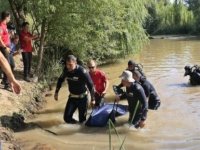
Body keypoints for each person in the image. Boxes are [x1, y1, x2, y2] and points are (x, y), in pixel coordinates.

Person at [54, 55, 95, 124]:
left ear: (75, 63)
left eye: (70, 65)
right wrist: (56, 92)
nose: (68, 67)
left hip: (83, 98)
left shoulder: (82, 71)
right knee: (67, 118)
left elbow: (90, 84)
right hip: (72, 97)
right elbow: (60, 80)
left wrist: (93, 99)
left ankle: (81, 128)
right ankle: (76, 125)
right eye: (67, 65)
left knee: (82, 120)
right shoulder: (66, 70)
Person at [0, 11, 11, 89]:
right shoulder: (1, 25)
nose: (10, 19)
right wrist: (5, 47)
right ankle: (6, 84)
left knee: (8, 64)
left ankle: (4, 81)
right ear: (6, 17)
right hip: (3, 48)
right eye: (9, 17)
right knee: (7, 65)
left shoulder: (5, 25)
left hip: (6, 47)